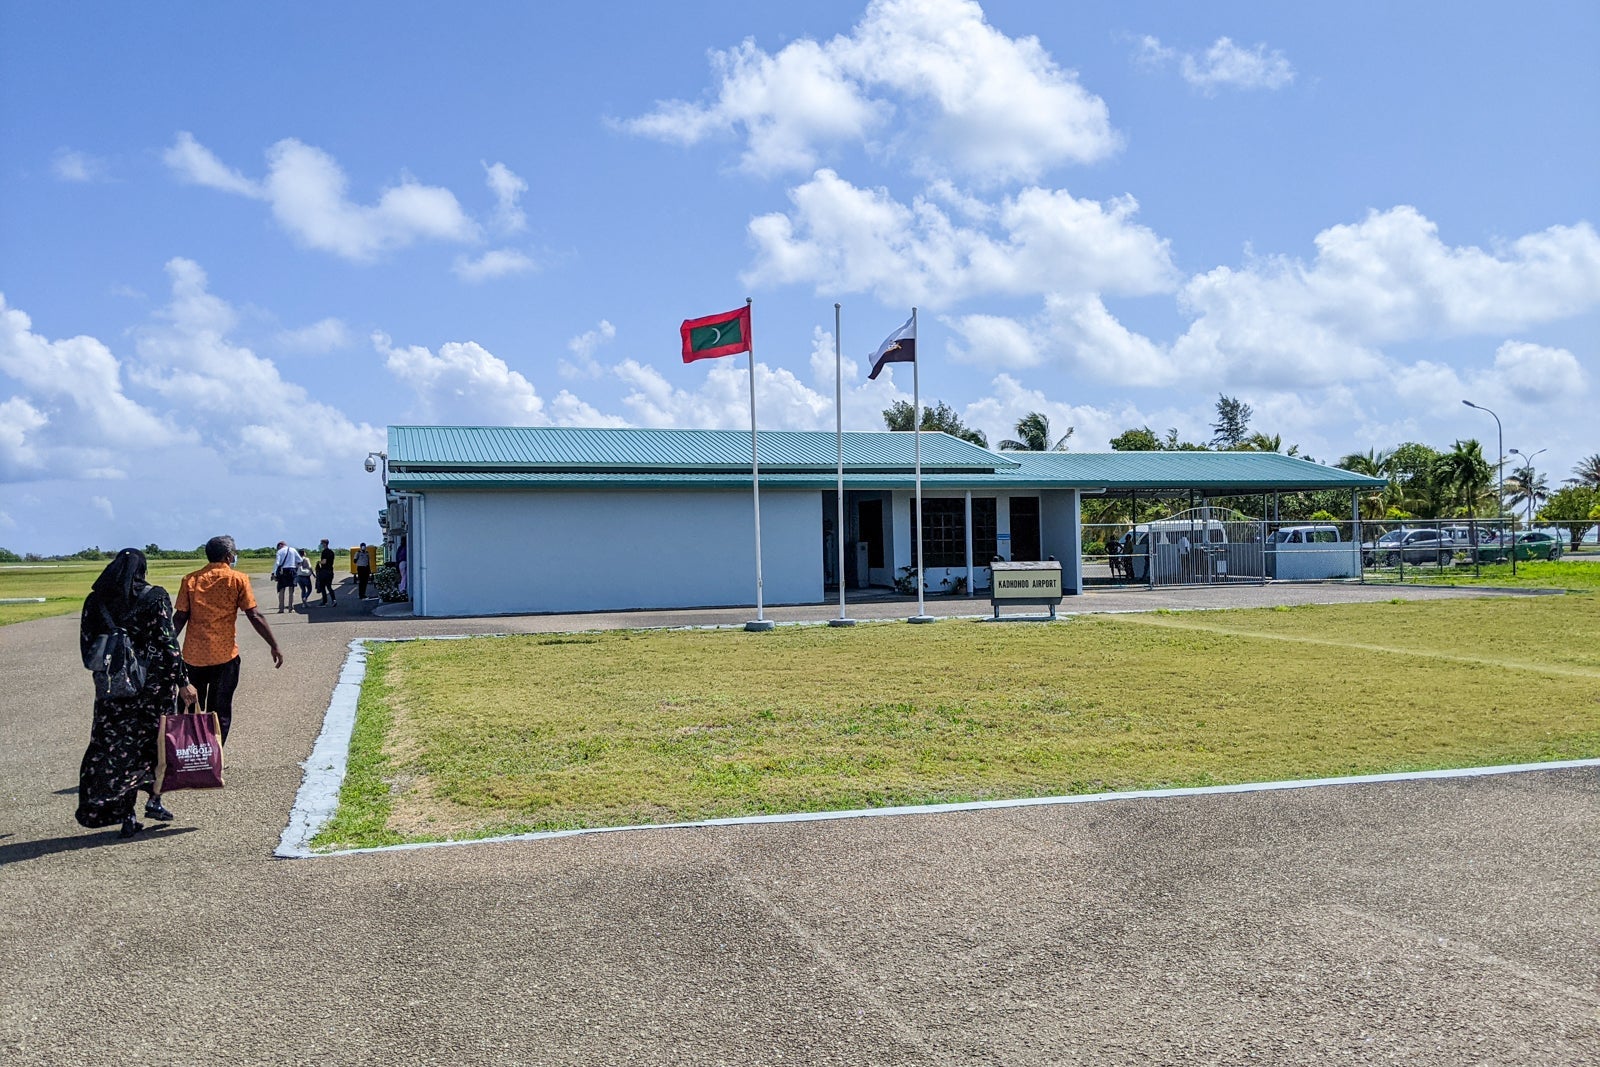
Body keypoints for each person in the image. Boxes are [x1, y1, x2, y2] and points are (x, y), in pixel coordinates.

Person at [77, 548, 199, 838]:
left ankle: (126, 813)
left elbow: (87, 647)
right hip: (153, 688)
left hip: (113, 688)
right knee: (156, 744)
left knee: (116, 748)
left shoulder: (95, 601)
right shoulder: (154, 596)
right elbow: (169, 644)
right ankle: (154, 800)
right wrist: (183, 681)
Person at [174, 535, 284, 744]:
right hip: (224, 657)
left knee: (189, 708)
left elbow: (180, 617)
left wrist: (167, 649)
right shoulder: (238, 579)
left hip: (193, 658)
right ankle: (215, 756)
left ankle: (187, 756)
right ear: (228, 556)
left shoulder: (190, 579)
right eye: (233, 553)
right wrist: (274, 645)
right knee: (220, 711)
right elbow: (254, 615)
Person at [272, 541, 303, 613]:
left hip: (283, 571)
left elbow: (277, 563)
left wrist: (274, 573)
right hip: (292, 570)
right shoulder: (293, 550)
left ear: (280, 545)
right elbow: (300, 560)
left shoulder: (279, 552)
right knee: (291, 590)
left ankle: (281, 608)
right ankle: (291, 608)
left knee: (281, 590)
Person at [315, 538, 337, 605]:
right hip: (330, 571)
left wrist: (319, 562)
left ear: (324, 544)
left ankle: (324, 601)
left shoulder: (324, 552)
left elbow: (324, 562)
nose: (320, 545)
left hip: (324, 571)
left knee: (322, 587)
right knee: (329, 586)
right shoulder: (331, 552)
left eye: (321, 543)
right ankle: (334, 599)